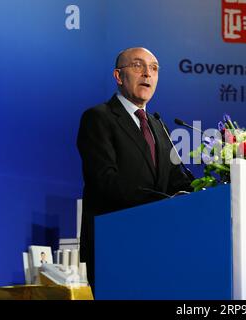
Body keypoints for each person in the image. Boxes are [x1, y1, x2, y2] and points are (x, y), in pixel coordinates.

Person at [77, 47, 193, 290]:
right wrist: (160, 203)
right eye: (138, 66)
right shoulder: (99, 118)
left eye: (154, 68)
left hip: (158, 246)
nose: (147, 74)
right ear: (119, 76)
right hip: (115, 244)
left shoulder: (159, 126)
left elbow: (176, 180)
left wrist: (206, 193)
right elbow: (104, 180)